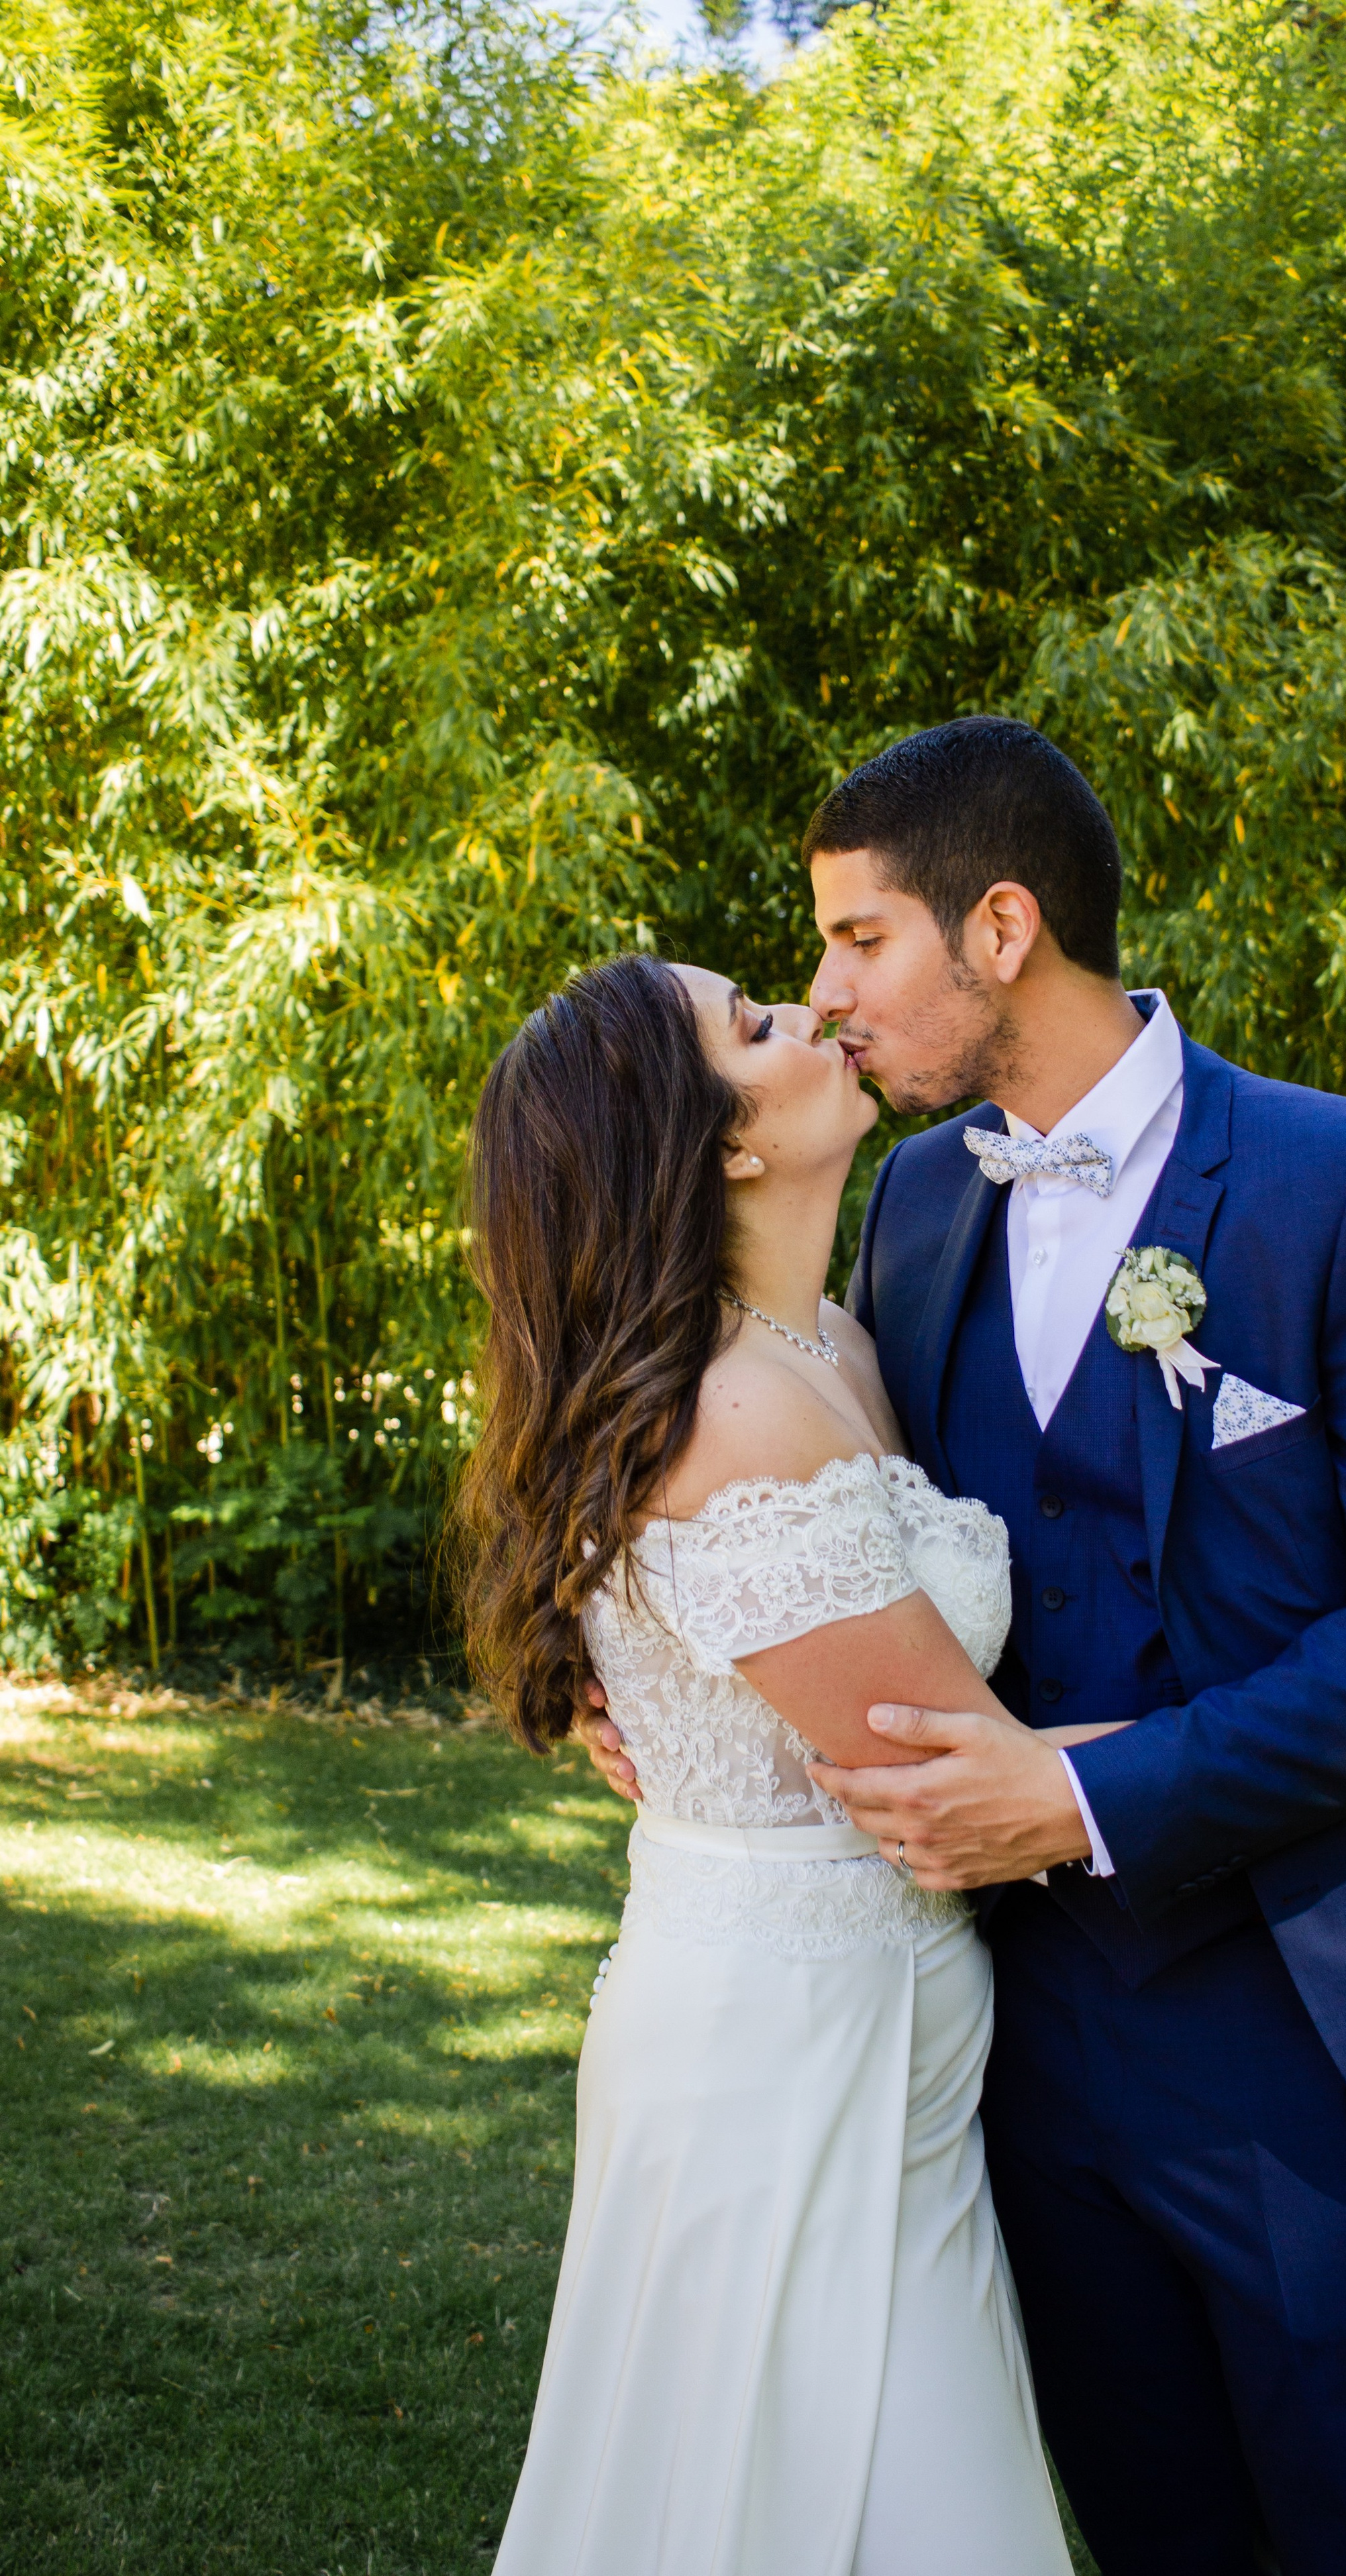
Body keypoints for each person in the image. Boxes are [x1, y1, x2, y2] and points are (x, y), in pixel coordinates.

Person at [580, 717, 1346, 2576]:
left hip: (1305, 2024)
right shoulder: (912, 1209)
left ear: (999, 929)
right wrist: (644, 1660)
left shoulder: (1343, 1185)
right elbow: (770, 1485)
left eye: (857, 942)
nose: (826, 999)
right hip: (1021, 2052)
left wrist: (1088, 1794)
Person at [456, 953, 1076, 2576]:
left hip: (899, 2036)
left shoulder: (841, 1347)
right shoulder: (732, 1416)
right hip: (779, 2056)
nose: (812, 1014)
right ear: (719, 1143)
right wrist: (1332, 1722)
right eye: (756, 1024)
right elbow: (957, 1778)